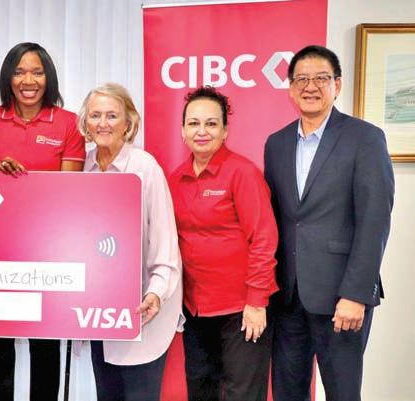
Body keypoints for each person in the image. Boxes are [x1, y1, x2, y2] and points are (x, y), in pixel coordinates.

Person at [264, 45, 394, 401]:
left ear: (337, 84)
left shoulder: (365, 138)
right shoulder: (276, 144)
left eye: (321, 78)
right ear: (291, 88)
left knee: (342, 393)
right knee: (288, 392)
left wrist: (356, 294)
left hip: (341, 297)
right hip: (288, 297)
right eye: (301, 79)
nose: (311, 86)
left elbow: (374, 222)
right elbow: (275, 220)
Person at [0, 42, 85, 400]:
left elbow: (69, 192)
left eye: (37, 72)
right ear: (8, 77)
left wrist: (24, 182)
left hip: (47, 253)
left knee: (45, 349)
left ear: (49, 78)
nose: (28, 80)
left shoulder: (69, 123)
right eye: (19, 72)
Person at [168, 86, 278, 401]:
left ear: (225, 130)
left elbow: (264, 238)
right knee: (201, 391)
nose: (201, 131)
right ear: (183, 131)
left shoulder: (242, 173)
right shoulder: (175, 179)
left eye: (211, 123)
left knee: (242, 394)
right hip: (195, 309)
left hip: (241, 309)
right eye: (193, 123)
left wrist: (256, 302)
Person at [80, 82, 182, 401]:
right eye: (95, 115)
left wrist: (155, 293)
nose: (103, 123)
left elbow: (165, 242)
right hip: (100, 312)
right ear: (85, 122)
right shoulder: (83, 167)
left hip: (143, 309)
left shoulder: (144, 167)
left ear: (129, 122)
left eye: (112, 115)